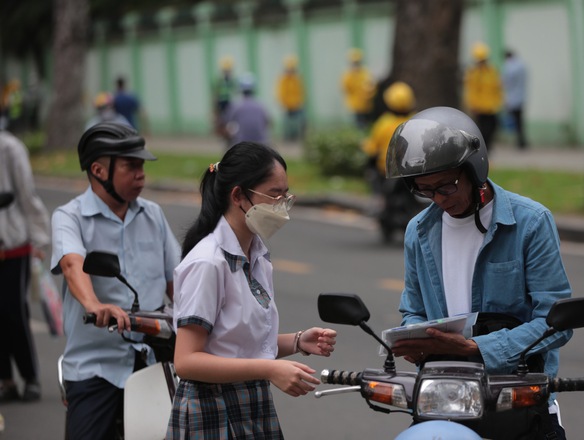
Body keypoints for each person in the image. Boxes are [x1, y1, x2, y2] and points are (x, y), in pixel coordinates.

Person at [385, 107, 573, 439]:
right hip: (444, 401)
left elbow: (555, 323)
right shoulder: (419, 230)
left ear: (474, 168)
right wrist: (413, 338)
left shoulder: (530, 222)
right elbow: (412, 309)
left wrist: (477, 347)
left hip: (518, 401)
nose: (439, 200)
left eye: (446, 186)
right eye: (424, 190)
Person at [167, 142, 337, 439]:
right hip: (212, 409)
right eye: (274, 195)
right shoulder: (208, 262)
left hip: (251, 403)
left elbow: (236, 343)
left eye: (286, 194)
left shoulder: (257, 256)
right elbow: (186, 360)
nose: (282, 205)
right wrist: (269, 370)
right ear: (238, 196)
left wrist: (298, 341)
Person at [50, 122, 181, 439]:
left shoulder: (152, 214)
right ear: (98, 170)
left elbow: (177, 281)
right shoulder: (69, 217)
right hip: (96, 365)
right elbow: (71, 263)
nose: (141, 174)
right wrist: (95, 305)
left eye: (142, 166)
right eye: (130, 166)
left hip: (155, 359)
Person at [0, 129, 50, 403]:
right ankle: (6, 380)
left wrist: (39, 240)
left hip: (12, 246)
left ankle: (30, 376)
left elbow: (26, 194)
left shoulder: (10, 148)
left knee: (12, 312)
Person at [361, 81, 417, 233]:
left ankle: (379, 205)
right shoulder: (414, 121)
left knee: (378, 189)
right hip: (411, 169)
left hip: (386, 171)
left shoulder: (383, 123)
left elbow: (373, 147)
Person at [463, 42, 503, 152]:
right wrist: (472, 105)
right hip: (480, 107)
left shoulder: (491, 71)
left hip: (492, 106)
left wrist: (499, 101)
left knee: (493, 127)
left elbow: (497, 87)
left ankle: (487, 148)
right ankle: (484, 149)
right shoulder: (473, 73)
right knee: (483, 130)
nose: (482, 63)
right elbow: (471, 91)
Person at [224, 74, 270, 147]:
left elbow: (228, 125)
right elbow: (268, 122)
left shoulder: (236, 105)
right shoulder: (261, 105)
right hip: (261, 143)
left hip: (242, 144)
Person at [341, 48, 374, 130]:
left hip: (366, 104)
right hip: (355, 104)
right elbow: (346, 87)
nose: (356, 65)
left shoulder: (365, 72)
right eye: (354, 63)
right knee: (359, 124)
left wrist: (368, 92)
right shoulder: (348, 75)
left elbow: (371, 86)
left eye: (357, 62)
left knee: (367, 124)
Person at [502, 49, 528, 149]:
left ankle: (520, 142)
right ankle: (522, 141)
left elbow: (506, 83)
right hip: (521, 97)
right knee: (520, 121)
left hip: (512, 99)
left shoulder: (509, 67)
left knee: (515, 122)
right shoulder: (522, 65)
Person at [276, 54, 305, 141]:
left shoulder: (297, 78)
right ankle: (288, 138)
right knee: (287, 124)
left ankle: (297, 137)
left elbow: (301, 91)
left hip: (297, 104)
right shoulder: (283, 79)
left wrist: (299, 101)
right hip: (287, 105)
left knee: (300, 121)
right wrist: (284, 103)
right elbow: (281, 92)